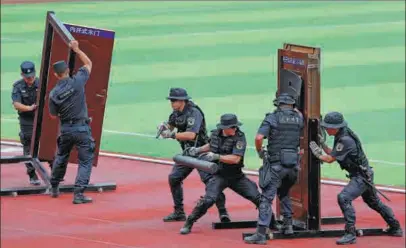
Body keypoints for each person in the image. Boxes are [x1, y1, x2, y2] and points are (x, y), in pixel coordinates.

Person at [308, 111, 403, 245]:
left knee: (344, 197)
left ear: (335, 127)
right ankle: (395, 227)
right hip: (364, 175)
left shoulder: (345, 140)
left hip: (361, 177)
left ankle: (350, 233)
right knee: (374, 203)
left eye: (327, 127)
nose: (325, 129)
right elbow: (334, 153)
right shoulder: (342, 135)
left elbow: (330, 159)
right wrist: (323, 145)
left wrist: (317, 153)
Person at [179, 113, 262, 235]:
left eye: (235, 126)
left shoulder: (239, 137)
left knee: (258, 198)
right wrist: (198, 150)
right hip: (220, 175)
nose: (235, 129)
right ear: (224, 128)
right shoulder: (216, 134)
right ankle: (189, 222)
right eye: (232, 127)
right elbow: (211, 145)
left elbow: (235, 159)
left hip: (236, 176)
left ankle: (271, 222)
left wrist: (217, 156)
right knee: (208, 200)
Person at [159, 88, 230, 223]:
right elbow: (171, 125)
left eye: (174, 100)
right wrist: (164, 128)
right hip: (187, 153)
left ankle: (223, 213)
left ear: (182, 100)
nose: (171, 103)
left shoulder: (194, 113)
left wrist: (171, 135)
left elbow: (192, 134)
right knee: (174, 178)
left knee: (211, 182)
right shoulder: (176, 113)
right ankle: (179, 212)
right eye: (171, 100)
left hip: (202, 152)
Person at [244, 93, 304, 245]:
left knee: (266, 198)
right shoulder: (299, 118)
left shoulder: (272, 117)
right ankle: (288, 225)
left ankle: (261, 233)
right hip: (293, 167)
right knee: (284, 193)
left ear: (278, 104)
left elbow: (258, 138)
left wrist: (260, 152)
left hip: (276, 165)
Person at [48, 40, 95, 204]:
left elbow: (53, 116)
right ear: (68, 70)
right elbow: (88, 63)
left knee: (61, 157)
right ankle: (79, 194)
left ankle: (54, 187)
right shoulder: (78, 81)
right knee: (85, 161)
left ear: (55, 75)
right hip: (82, 128)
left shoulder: (53, 94)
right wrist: (77, 49)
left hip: (66, 129)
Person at [11, 61, 54, 185]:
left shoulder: (42, 83)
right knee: (28, 146)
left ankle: (55, 173)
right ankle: (32, 174)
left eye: (32, 76)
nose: (30, 79)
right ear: (22, 75)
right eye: (27, 77)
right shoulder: (18, 86)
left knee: (48, 143)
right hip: (27, 120)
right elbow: (16, 104)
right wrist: (30, 108)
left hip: (41, 118)